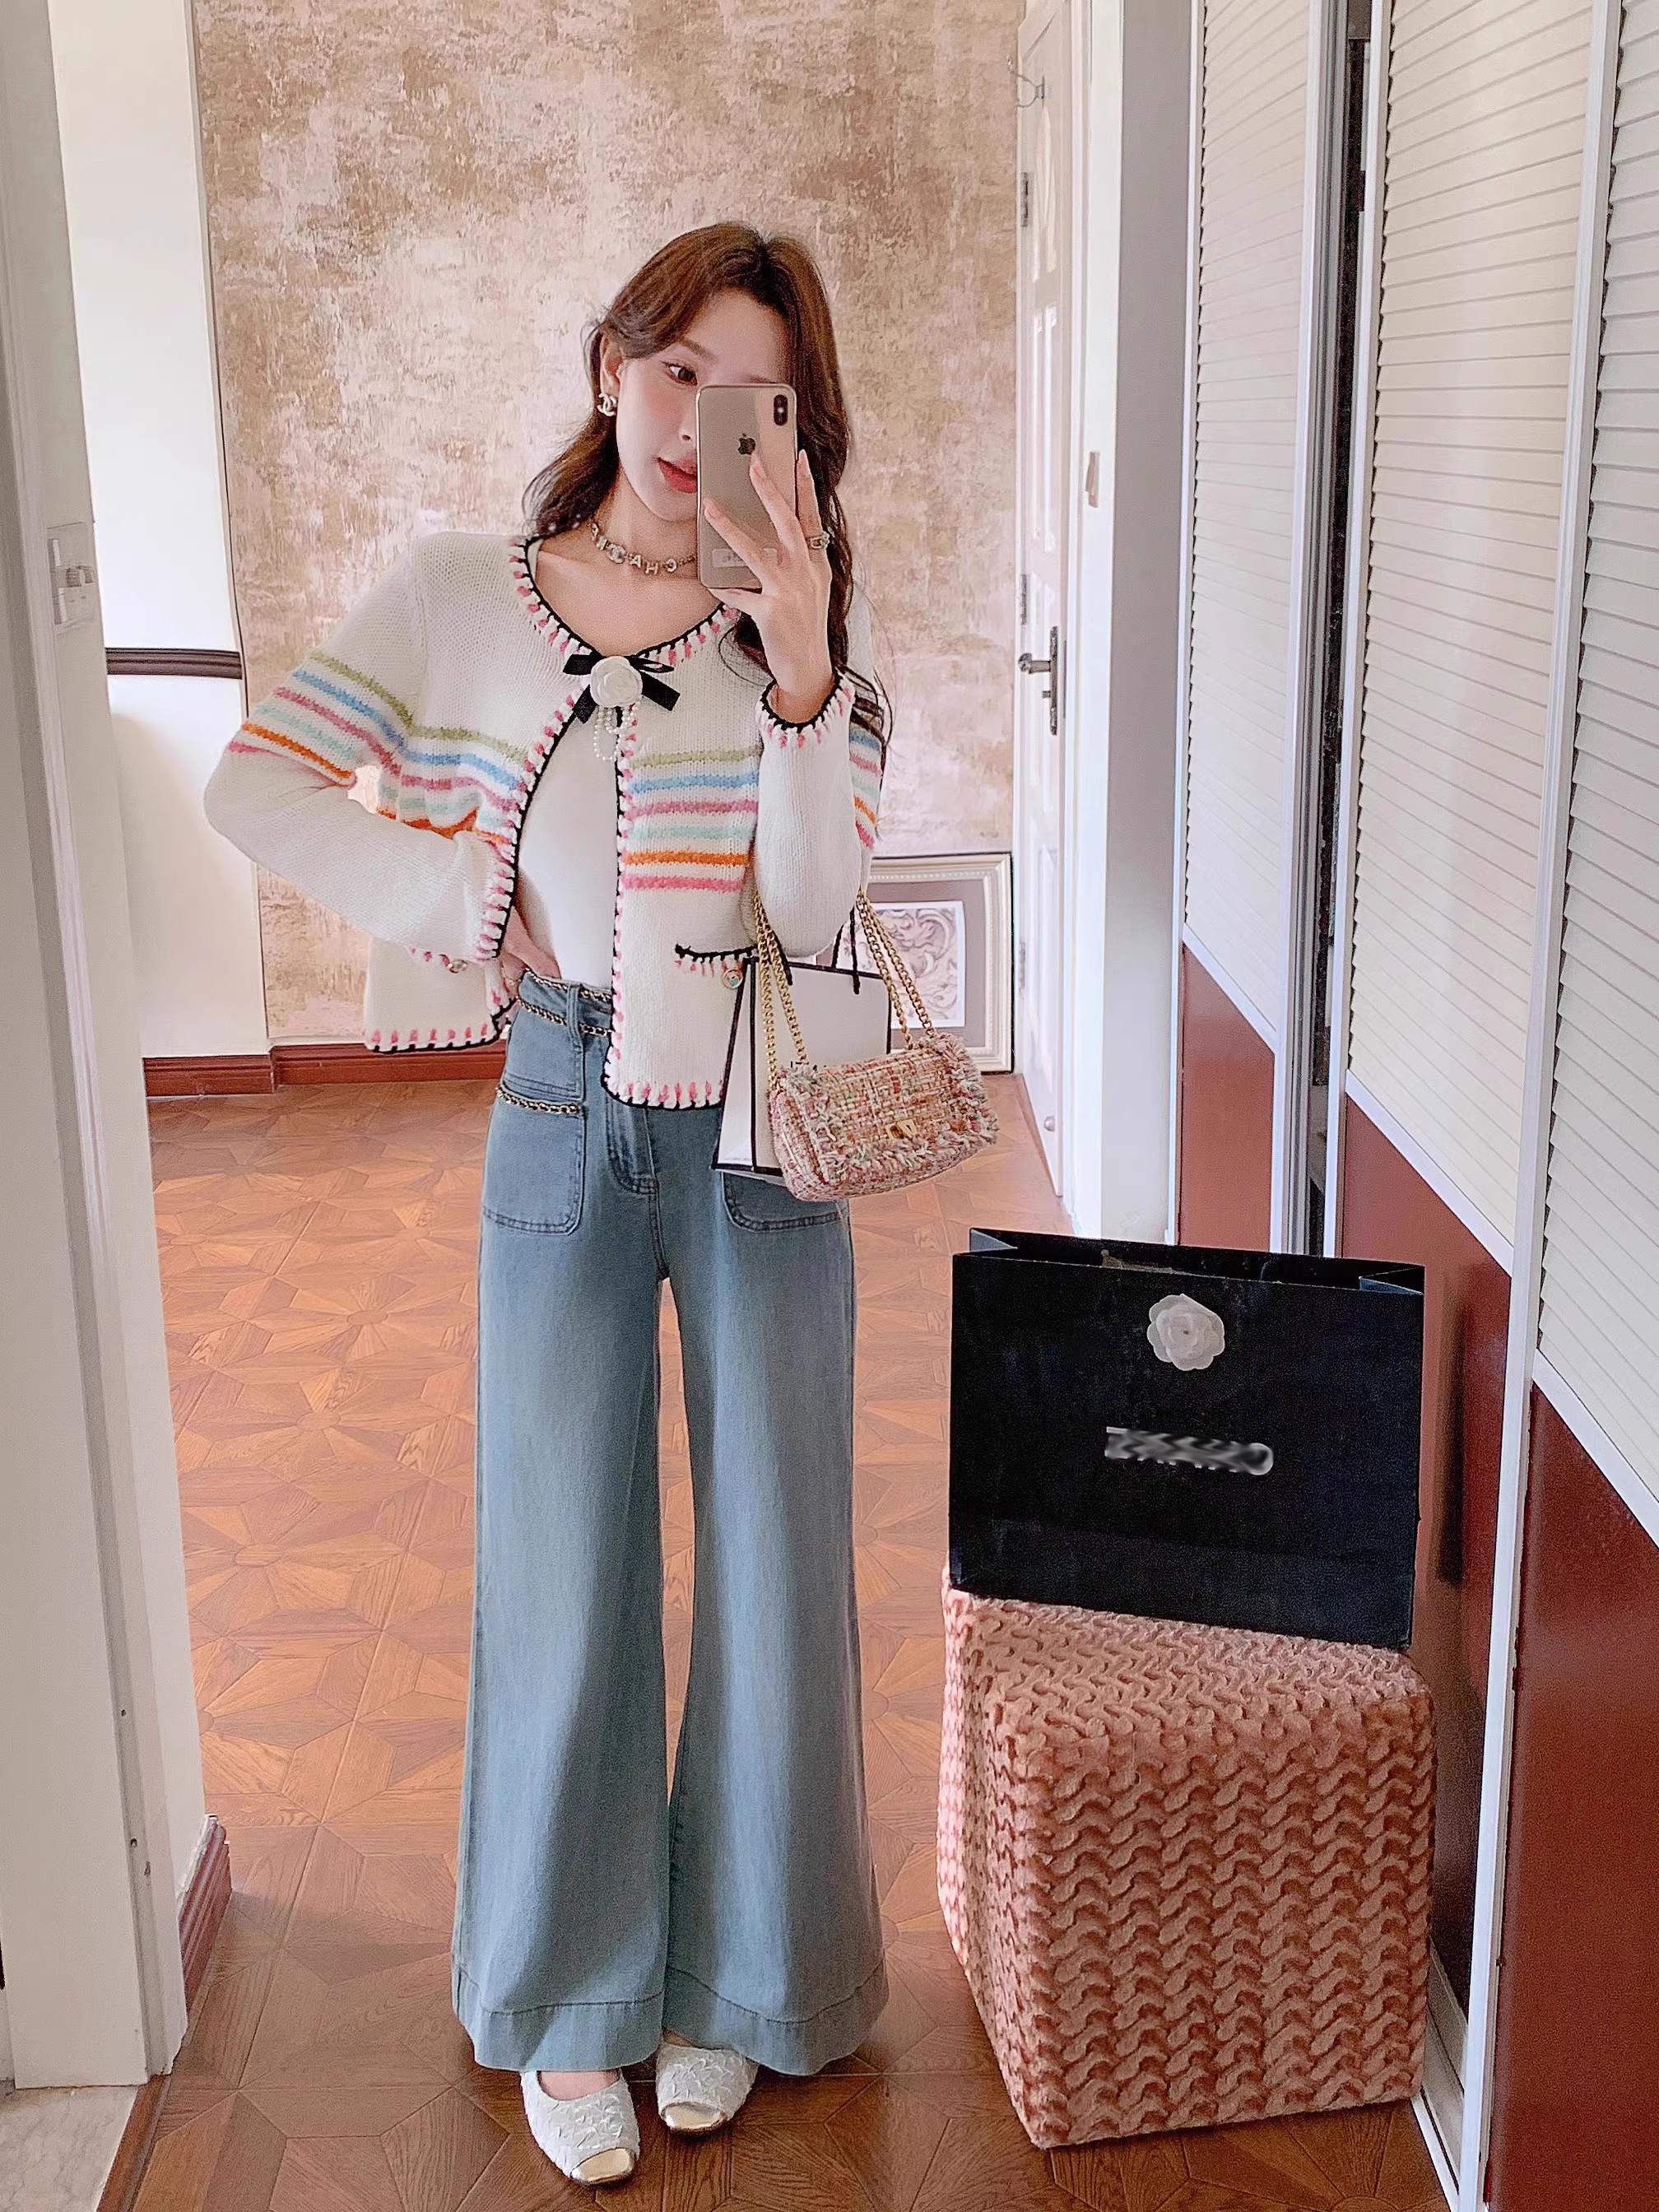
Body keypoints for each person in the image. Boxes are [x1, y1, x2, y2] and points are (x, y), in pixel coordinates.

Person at [204, 223, 889, 2187]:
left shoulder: (803, 625)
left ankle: (746, 1981)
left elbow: (818, 910)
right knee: (562, 1543)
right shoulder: (463, 595)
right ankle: (573, 1995)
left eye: (751, 394)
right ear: (608, 364)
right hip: (562, 1093)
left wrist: (805, 665)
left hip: (761, 1111)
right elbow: (259, 788)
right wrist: (461, 901)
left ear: (797, 427)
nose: (696, 420)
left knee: (778, 1554)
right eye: (675, 369)